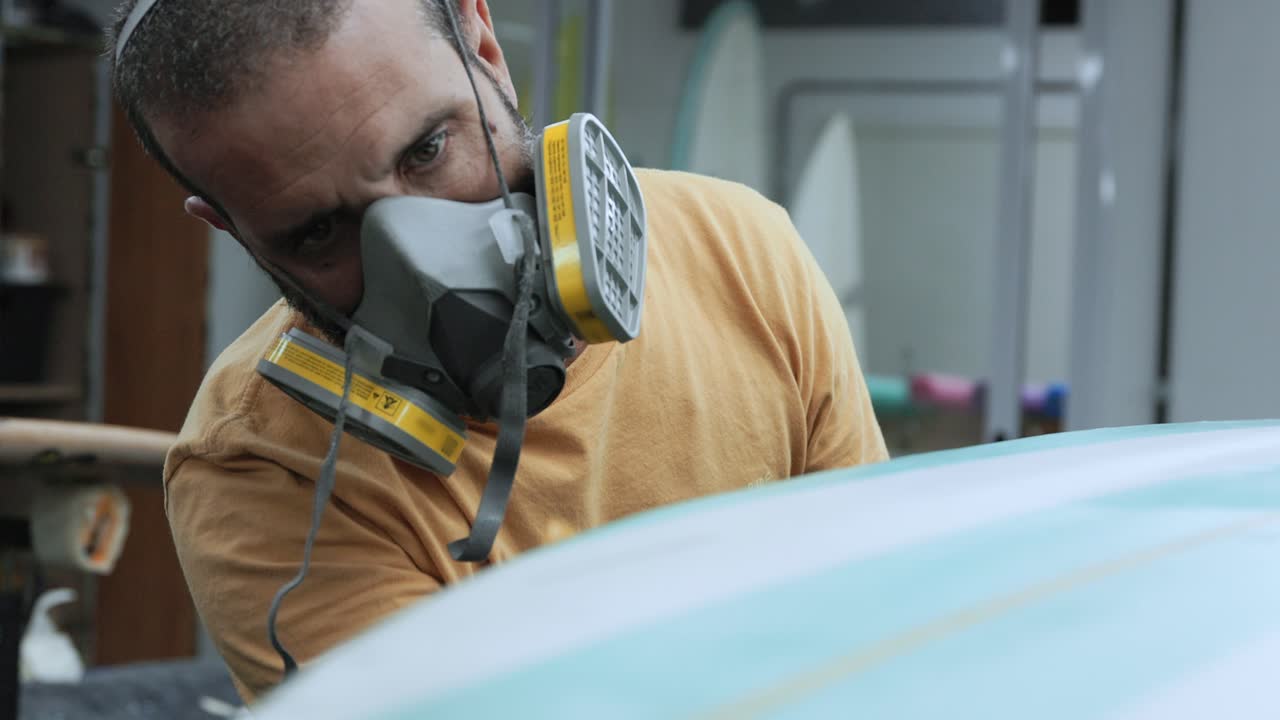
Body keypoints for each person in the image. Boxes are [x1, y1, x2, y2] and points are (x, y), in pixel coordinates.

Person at [107, 0, 889, 703]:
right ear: (230, 229)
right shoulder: (264, 472)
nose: (421, 266)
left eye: (428, 151)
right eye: (318, 232)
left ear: (482, 44)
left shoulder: (738, 251)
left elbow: (880, 623)